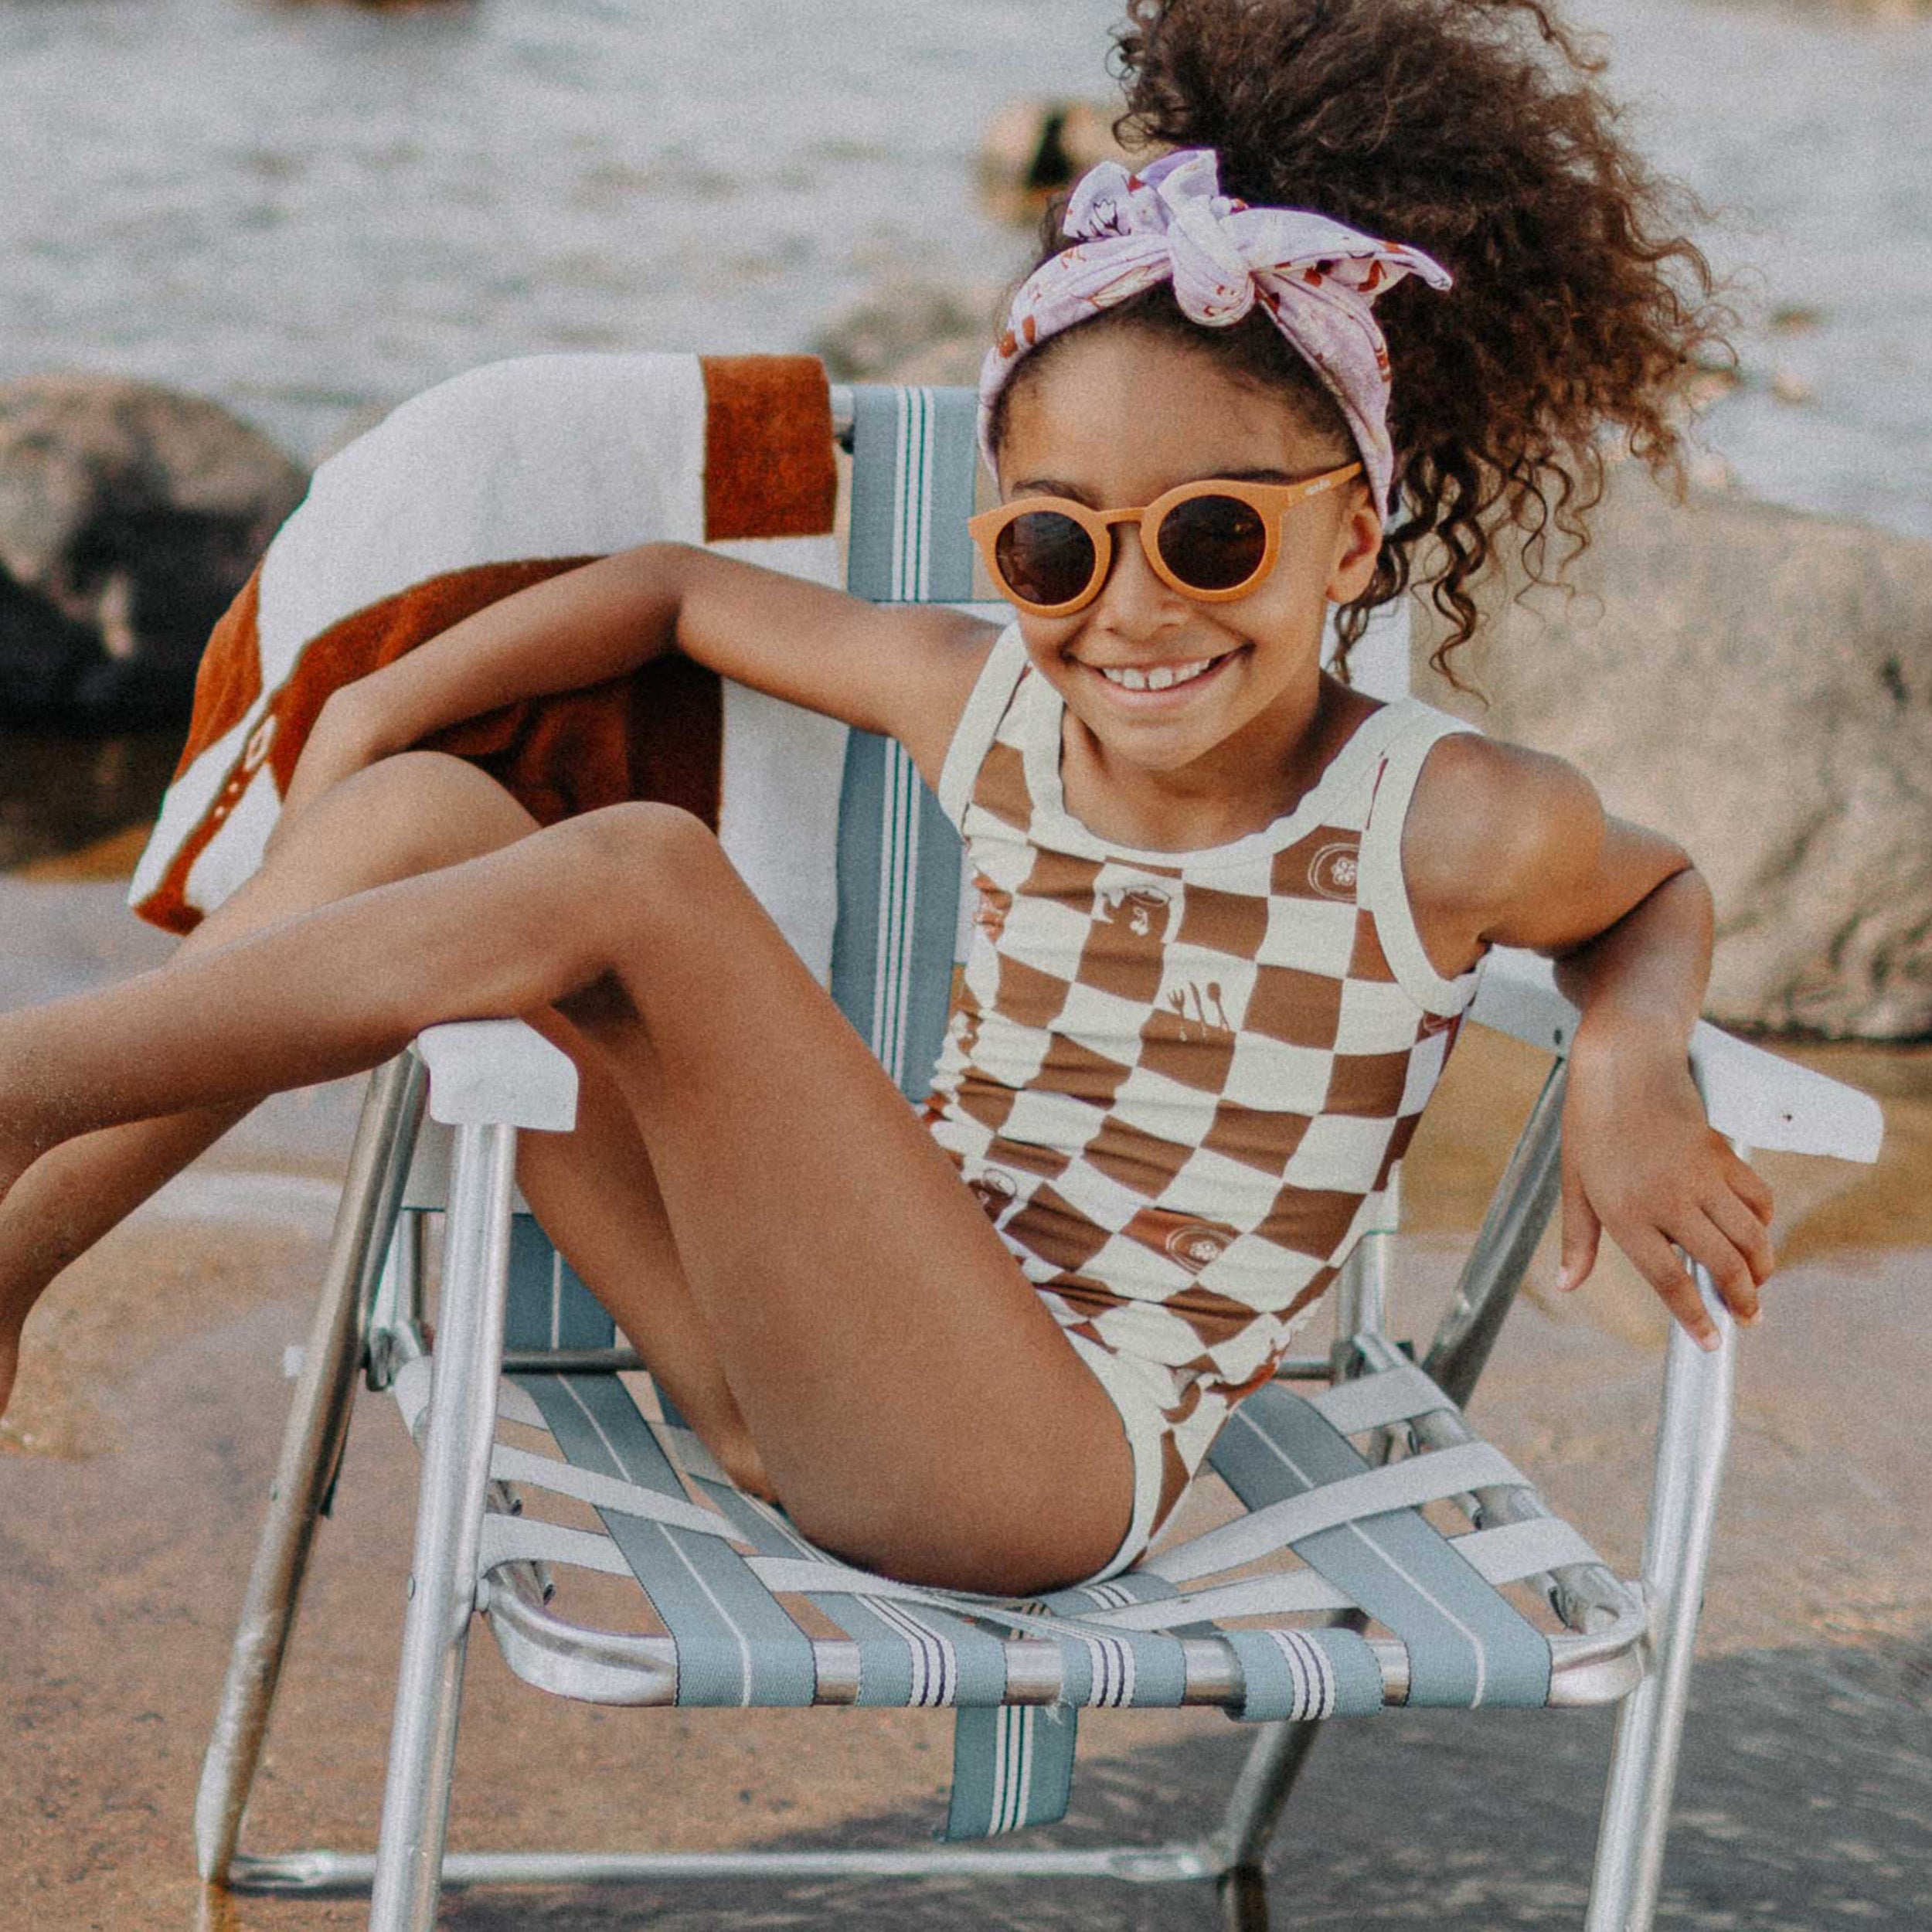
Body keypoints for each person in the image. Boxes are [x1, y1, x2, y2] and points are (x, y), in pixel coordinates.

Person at [0, 0, 1774, 1596]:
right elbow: (674, 588)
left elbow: (1654, 892)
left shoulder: (1445, 815)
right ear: (999, 537)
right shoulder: (985, 702)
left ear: (1352, 534)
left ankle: (22, 1079)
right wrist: (377, 693)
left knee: (639, 874)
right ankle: (18, 1258)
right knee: (428, 817)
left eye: (1215, 534)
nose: (1133, 610)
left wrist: (1627, 1059)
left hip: (1040, 1464)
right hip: (785, 1378)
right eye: (1054, 544)